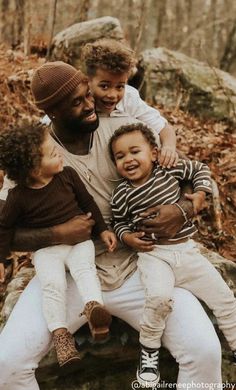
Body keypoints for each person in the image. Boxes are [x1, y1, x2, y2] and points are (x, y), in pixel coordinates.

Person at [0, 61, 222, 390]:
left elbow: (183, 171)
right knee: (7, 364)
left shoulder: (122, 129)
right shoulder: (34, 155)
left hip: (145, 264)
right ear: (52, 113)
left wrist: (185, 207)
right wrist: (57, 234)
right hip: (71, 272)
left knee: (204, 351)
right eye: (77, 103)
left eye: (86, 95)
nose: (90, 104)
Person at [109, 122, 236, 387]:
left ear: (154, 153)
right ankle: (149, 353)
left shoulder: (168, 170)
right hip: (154, 256)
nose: (128, 159)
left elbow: (200, 169)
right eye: (120, 156)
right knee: (158, 299)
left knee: (224, 298)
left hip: (186, 251)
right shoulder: (122, 194)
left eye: (135, 151)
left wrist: (199, 195)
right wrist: (127, 237)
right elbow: (117, 223)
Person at [0, 122, 116, 367]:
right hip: (47, 250)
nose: (60, 153)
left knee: (85, 270)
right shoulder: (17, 197)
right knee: (52, 285)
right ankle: (61, 335)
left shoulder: (67, 175)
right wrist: (1, 258)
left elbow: (87, 203)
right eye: (53, 154)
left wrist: (103, 230)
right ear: (33, 169)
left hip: (80, 243)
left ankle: (96, 312)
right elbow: (4, 227)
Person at [81, 38, 178, 168]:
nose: (112, 95)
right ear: (88, 81)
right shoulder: (81, 101)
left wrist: (169, 147)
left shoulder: (129, 98)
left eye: (120, 86)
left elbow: (164, 128)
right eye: (104, 86)